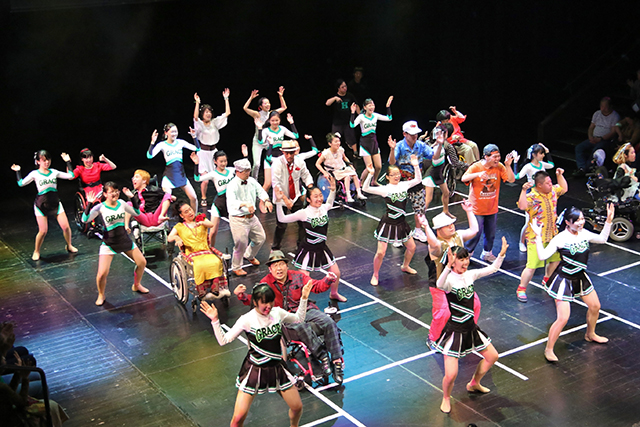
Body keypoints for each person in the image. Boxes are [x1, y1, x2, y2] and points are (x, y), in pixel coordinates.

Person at [200, 281, 313, 427]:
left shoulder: (277, 313)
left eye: (270, 302)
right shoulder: (246, 319)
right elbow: (224, 340)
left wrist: (304, 298)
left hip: (276, 368)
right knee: (238, 418)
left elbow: (299, 319)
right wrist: (215, 320)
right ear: (255, 302)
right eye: (264, 303)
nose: (268, 306)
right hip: (255, 370)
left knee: (297, 407)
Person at [233, 251, 345, 384]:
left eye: (281, 264)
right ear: (270, 269)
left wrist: (328, 280)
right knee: (300, 325)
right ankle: (323, 356)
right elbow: (256, 300)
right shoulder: (266, 283)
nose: (279, 268)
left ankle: (337, 362)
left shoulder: (299, 276)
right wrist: (242, 296)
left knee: (328, 321)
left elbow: (316, 286)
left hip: (305, 309)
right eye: (275, 266)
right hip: (285, 316)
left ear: (287, 266)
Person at [432, 238, 508, 414]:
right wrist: (447, 266)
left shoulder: (470, 275)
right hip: (455, 331)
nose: (465, 262)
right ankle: (446, 397)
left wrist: (501, 255)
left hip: (471, 329)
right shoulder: (449, 280)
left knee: (492, 356)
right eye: (461, 259)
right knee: (451, 374)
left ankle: (474, 383)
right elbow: (439, 285)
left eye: (466, 258)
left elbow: (493, 269)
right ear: (453, 261)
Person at [531, 204, 614, 362]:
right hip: (564, 280)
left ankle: (590, 334)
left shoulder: (584, 233)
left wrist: (609, 221)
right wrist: (538, 237)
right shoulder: (560, 239)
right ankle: (549, 349)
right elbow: (542, 256)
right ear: (568, 222)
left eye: (582, 219)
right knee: (563, 318)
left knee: (595, 306)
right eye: (577, 220)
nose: (581, 222)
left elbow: (602, 239)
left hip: (580, 276)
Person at [275, 179, 347, 302]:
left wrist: (333, 190)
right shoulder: (304, 213)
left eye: (320, 196)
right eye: (315, 196)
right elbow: (282, 219)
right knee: (305, 279)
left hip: (322, 248)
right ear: (308, 199)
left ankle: (334, 293)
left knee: (336, 273)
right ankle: (302, 301)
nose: (319, 199)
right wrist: (278, 202)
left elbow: (330, 202)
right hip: (308, 250)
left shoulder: (324, 208)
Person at [418, 201, 479, 343]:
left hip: (460, 282)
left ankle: (468, 332)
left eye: (452, 224)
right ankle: (433, 339)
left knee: (475, 305)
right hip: (441, 284)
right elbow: (433, 243)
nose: (452, 226)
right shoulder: (437, 245)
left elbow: (474, 230)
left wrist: (469, 211)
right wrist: (426, 226)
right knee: (443, 312)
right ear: (439, 230)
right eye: (447, 225)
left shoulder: (458, 236)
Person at [82, 181, 148, 306]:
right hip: (109, 243)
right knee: (102, 274)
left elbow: (136, 212)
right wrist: (89, 203)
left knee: (142, 263)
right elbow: (85, 219)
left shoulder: (122, 203)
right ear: (105, 194)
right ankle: (101, 294)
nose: (115, 194)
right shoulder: (100, 207)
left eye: (116, 191)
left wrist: (132, 198)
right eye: (111, 192)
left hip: (124, 240)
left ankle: (137, 285)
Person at [363, 154, 422, 286]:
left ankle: (405, 266)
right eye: (393, 174)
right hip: (388, 223)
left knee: (412, 247)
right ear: (387, 177)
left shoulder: (404, 185)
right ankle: (375, 274)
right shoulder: (385, 189)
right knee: (381, 252)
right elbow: (365, 188)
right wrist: (370, 174)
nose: (396, 176)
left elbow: (418, 179)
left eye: (398, 174)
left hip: (401, 223)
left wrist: (416, 165)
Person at [11, 150, 78, 261]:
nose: (46, 162)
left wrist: (68, 162)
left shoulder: (54, 172)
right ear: (38, 162)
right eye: (43, 160)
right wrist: (18, 171)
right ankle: (36, 250)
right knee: (43, 231)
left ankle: (69, 245)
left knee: (66, 227)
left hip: (55, 203)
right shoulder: (34, 174)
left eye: (48, 160)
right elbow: (21, 183)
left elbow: (71, 175)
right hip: (41, 205)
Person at [515, 169, 568, 303]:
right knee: (531, 266)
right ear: (539, 185)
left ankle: (547, 279)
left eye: (551, 182)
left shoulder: (553, 192)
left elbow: (564, 188)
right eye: (548, 183)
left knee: (555, 260)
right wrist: (523, 191)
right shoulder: (532, 196)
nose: (551, 185)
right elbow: (522, 206)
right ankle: (521, 288)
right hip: (536, 237)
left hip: (552, 234)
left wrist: (559, 175)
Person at [461, 143, 516, 262]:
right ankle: (467, 253)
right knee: (475, 233)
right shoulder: (476, 167)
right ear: (486, 156)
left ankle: (487, 253)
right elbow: (463, 178)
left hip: (492, 207)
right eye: (494, 156)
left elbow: (511, 180)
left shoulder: (500, 167)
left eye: (498, 156)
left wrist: (507, 165)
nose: (497, 159)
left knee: (490, 233)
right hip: (477, 208)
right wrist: (478, 174)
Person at [168, 201, 229, 300]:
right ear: (182, 215)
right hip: (192, 253)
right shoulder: (179, 226)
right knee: (199, 264)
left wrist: (202, 222)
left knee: (216, 261)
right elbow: (169, 237)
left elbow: (211, 225)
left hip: (206, 251)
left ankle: (215, 285)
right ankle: (201, 288)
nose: (190, 212)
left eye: (190, 209)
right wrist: (177, 238)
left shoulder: (201, 219)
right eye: (186, 212)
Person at [388, 120, 437, 243]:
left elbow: (433, 156)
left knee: (420, 208)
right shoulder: (399, 146)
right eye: (411, 134)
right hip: (401, 181)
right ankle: (397, 234)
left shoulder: (420, 145)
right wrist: (392, 150)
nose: (415, 136)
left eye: (416, 133)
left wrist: (440, 144)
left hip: (416, 180)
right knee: (398, 208)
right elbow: (392, 162)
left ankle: (418, 230)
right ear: (405, 134)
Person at [226, 158, 273, 276]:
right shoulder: (232, 185)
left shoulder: (251, 181)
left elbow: (260, 191)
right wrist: (245, 204)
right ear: (238, 172)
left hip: (251, 217)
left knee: (260, 238)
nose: (248, 173)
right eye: (245, 171)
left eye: (248, 170)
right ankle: (236, 267)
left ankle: (249, 255)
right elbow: (232, 202)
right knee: (241, 243)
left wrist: (266, 200)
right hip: (238, 218)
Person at [270, 139, 313, 251]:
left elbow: (306, 175)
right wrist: (285, 200)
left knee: (303, 222)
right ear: (283, 152)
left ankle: (301, 246)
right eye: (287, 153)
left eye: (291, 153)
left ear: (295, 152)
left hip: (296, 196)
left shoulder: (299, 162)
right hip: (281, 198)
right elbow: (276, 184)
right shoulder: (277, 164)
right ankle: (275, 248)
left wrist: (311, 188)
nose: (289, 155)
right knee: (281, 225)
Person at [146, 123, 200, 212]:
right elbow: (149, 156)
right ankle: (162, 218)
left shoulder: (181, 142)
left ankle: (194, 217)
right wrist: (152, 142)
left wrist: (194, 137)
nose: (174, 134)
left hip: (181, 176)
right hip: (169, 176)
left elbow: (197, 148)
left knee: (193, 197)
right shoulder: (162, 145)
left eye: (176, 131)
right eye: (172, 132)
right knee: (166, 201)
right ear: (166, 133)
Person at [192, 89, 231, 207]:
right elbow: (195, 117)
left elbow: (227, 113)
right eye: (206, 112)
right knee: (205, 179)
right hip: (203, 153)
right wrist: (197, 103)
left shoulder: (215, 122)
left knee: (218, 175)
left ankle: (223, 195)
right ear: (202, 114)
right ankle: (203, 197)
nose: (208, 114)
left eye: (209, 112)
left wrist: (226, 98)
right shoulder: (200, 124)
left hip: (214, 152)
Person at [514, 143, 555, 252]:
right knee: (528, 222)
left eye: (543, 153)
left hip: (542, 194)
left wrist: (547, 151)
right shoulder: (528, 167)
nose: (543, 155)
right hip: (531, 195)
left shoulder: (542, 164)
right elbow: (517, 176)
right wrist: (515, 163)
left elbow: (551, 165)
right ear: (534, 155)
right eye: (541, 153)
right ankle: (521, 242)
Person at [191, 144, 249, 220]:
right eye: (221, 161)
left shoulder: (231, 170)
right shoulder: (213, 174)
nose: (223, 163)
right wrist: (196, 164)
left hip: (233, 199)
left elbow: (244, 169)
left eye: (225, 161)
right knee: (214, 225)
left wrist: (245, 156)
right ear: (215, 161)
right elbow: (197, 179)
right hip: (221, 201)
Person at [243, 86, 287, 180]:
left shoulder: (272, 114)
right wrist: (251, 97)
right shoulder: (257, 114)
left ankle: (275, 179)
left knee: (274, 160)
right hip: (258, 142)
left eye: (268, 103)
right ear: (261, 106)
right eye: (265, 103)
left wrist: (280, 96)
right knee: (256, 164)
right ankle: (254, 180)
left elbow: (284, 107)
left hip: (268, 141)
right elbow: (245, 108)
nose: (268, 104)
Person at [350, 96, 393, 185]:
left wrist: (388, 106)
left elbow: (389, 118)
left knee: (378, 166)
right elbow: (352, 125)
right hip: (365, 144)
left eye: (373, 105)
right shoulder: (361, 117)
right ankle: (361, 183)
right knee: (369, 168)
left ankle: (374, 181)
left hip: (374, 143)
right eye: (369, 105)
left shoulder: (375, 116)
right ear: (365, 107)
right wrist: (352, 113)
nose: (372, 107)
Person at [573, 97, 620, 177]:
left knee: (596, 150)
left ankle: (587, 169)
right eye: (602, 106)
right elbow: (591, 127)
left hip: (605, 140)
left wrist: (601, 139)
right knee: (579, 147)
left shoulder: (615, 116)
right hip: (594, 138)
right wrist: (590, 137)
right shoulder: (597, 114)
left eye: (605, 106)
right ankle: (581, 168)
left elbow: (613, 132)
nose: (603, 109)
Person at [316, 132, 366, 202]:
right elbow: (317, 164)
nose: (338, 143)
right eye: (336, 142)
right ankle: (348, 195)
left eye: (339, 141)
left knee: (354, 174)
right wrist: (324, 172)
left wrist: (351, 165)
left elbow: (344, 158)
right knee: (347, 176)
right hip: (334, 171)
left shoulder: (341, 150)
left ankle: (359, 193)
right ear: (330, 143)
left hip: (343, 168)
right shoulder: (326, 153)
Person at [258, 111, 300, 191]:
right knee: (268, 183)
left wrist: (291, 123)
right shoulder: (266, 130)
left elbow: (295, 136)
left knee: (282, 182)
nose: (275, 122)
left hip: (281, 158)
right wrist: (260, 129)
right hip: (269, 158)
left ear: (280, 120)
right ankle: (260, 198)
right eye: (272, 120)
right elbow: (260, 141)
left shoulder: (282, 129)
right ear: (269, 121)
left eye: (277, 120)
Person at [422, 124, 454, 217]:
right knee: (428, 199)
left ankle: (445, 211)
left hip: (439, 174)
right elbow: (435, 157)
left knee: (446, 193)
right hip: (431, 174)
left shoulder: (440, 144)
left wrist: (439, 144)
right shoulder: (437, 146)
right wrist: (439, 145)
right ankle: (420, 218)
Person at [325, 79, 360, 159]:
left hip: (348, 121)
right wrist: (335, 98)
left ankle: (355, 153)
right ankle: (333, 153)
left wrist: (360, 115)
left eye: (345, 86)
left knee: (351, 137)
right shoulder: (335, 96)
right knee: (335, 138)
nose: (345, 88)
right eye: (342, 87)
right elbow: (327, 103)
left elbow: (356, 105)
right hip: (337, 122)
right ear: (338, 88)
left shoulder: (350, 96)